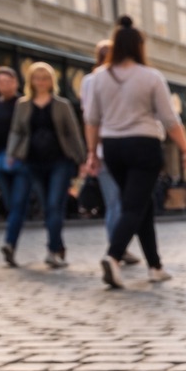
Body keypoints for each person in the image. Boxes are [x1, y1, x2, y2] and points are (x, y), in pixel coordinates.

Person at [84, 15, 186, 288]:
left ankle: (155, 266)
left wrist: (91, 153)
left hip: (112, 147)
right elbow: (170, 119)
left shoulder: (98, 78)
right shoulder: (150, 76)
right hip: (143, 145)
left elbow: (92, 119)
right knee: (134, 206)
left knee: (141, 204)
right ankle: (113, 256)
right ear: (139, 46)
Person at [5, 62, 86, 268]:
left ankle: (52, 250)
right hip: (33, 162)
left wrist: (82, 159)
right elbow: (16, 130)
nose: (41, 82)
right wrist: (11, 153)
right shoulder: (22, 105)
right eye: (37, 78)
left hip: (60, 161)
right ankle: (58, 247)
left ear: (52, 81)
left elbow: (73, 133)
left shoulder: (62, 105)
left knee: (53, 205)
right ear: (31, 81)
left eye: (45, 78)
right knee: (47, 207)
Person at [80, 40, 138, 266]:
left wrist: (91, 150)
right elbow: (91, 118)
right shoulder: (102, 80)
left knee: (115, 201)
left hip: (105, 147)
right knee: (119, 202)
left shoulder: (89, 80)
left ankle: (118, 246)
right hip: (116, 146)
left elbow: (89, 119)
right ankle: (117, 248)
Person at [0, 66, 28, 266]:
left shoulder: (23, 104)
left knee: (18, 204)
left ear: (15, 83)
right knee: (12, 204)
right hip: (1, 159)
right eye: (0, 82)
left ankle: (9, 243)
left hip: (22, 159)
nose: (4, 85)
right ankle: (11, 242)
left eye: (7, 81)